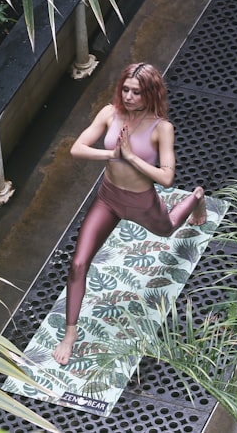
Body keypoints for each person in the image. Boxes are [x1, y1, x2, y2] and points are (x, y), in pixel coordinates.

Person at [53, 62, 206, 366]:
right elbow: (77, 149)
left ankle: (196, 198)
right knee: (79, 262)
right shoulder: (110, 113)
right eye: (126, 89)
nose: (129, 96)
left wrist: (132, 157)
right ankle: (69, 335)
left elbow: (166, 178)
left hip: (142, 202)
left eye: (136, 92)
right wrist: (111, 154)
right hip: (108, 198)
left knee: (169, 228)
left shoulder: (162, 128)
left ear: (150, 94)